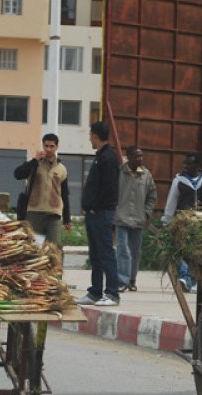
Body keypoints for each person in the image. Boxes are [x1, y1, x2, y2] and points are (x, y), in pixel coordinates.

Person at [77, 122, 121, 307]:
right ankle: (95, 292)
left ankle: (112, 293)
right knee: (95, 254)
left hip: (102, 213)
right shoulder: (100, 156)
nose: (89, 139)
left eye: (90, 135)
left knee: (106, 253)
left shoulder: (108, 158)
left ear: (95, 136)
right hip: (94, 214)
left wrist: (95, 206)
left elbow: (109, 188)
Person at [13, 133, 72, 248]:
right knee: (34, 246)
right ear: (42, 145)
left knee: (54, 246)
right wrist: (34, 160)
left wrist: (67, 218)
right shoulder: (35, 164)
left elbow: (64, 194)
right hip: (34, 213)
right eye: (46, 146)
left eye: (51, 146)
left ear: (56, 147)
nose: (48, 149)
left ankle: (56, 266)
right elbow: (18, 174)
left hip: (54, 214)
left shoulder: (62, 169)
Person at [114, 146, 157, 293]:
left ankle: (132, 280)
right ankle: (122, 280)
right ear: (129, 157)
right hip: (121, 218)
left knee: (135, 252)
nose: (140, 159)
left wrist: (146, 213)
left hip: (138, 219)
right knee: (122, 250)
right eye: (137, 156)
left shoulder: (146, 175)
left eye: (141, 156)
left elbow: (152, 196)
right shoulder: (119, 173)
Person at [162, 153, 202, 292]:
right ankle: (185, 278)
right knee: (184, 250)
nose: (185, 166)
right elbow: (171, 201)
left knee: (197, 252)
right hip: (183, 222)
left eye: (189, 164)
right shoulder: (179, 181)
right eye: (184, 164)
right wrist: (166, 221)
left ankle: (191, 279)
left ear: (197, 166)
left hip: (201, 222)